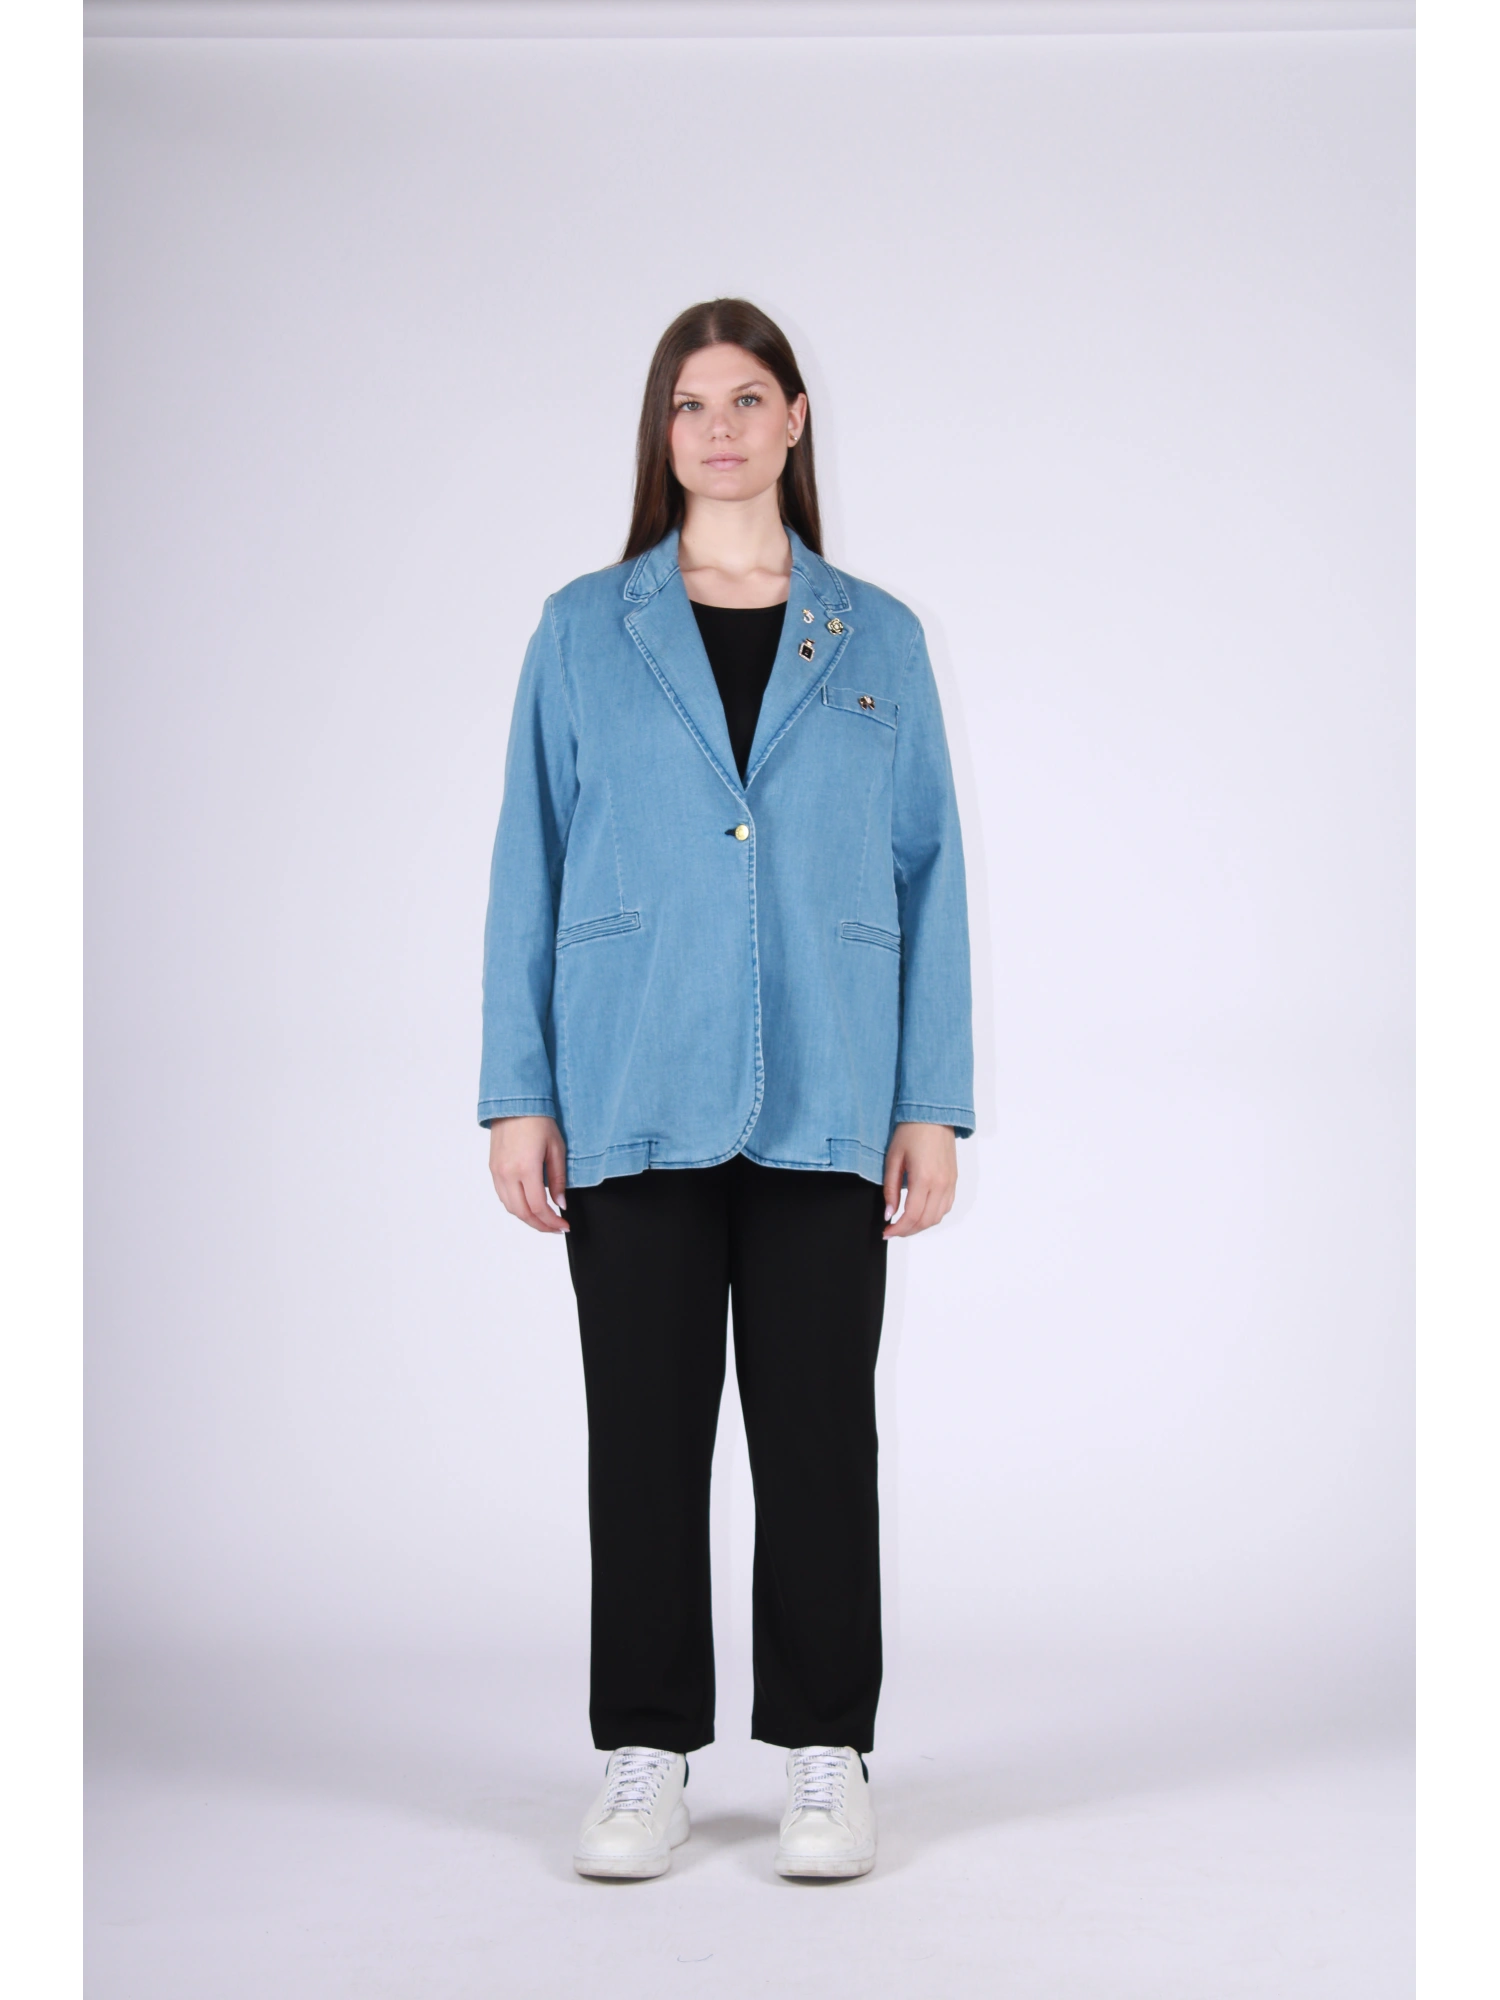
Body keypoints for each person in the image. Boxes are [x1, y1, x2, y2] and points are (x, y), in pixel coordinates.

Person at [480, 299, 974, 1881]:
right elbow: (529, 862)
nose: (719, 428)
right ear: (663, 430)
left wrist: (930, 1100)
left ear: (795, 419)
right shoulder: (583, 629)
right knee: (642, 1437)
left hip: (834, 1088)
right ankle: (646, 1753)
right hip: (632, 1078)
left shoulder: (878, 638)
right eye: (691, 403)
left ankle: (827, 1748)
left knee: (821, 1435)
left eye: (747, 397)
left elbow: (930, 875)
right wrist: (516, 1091)